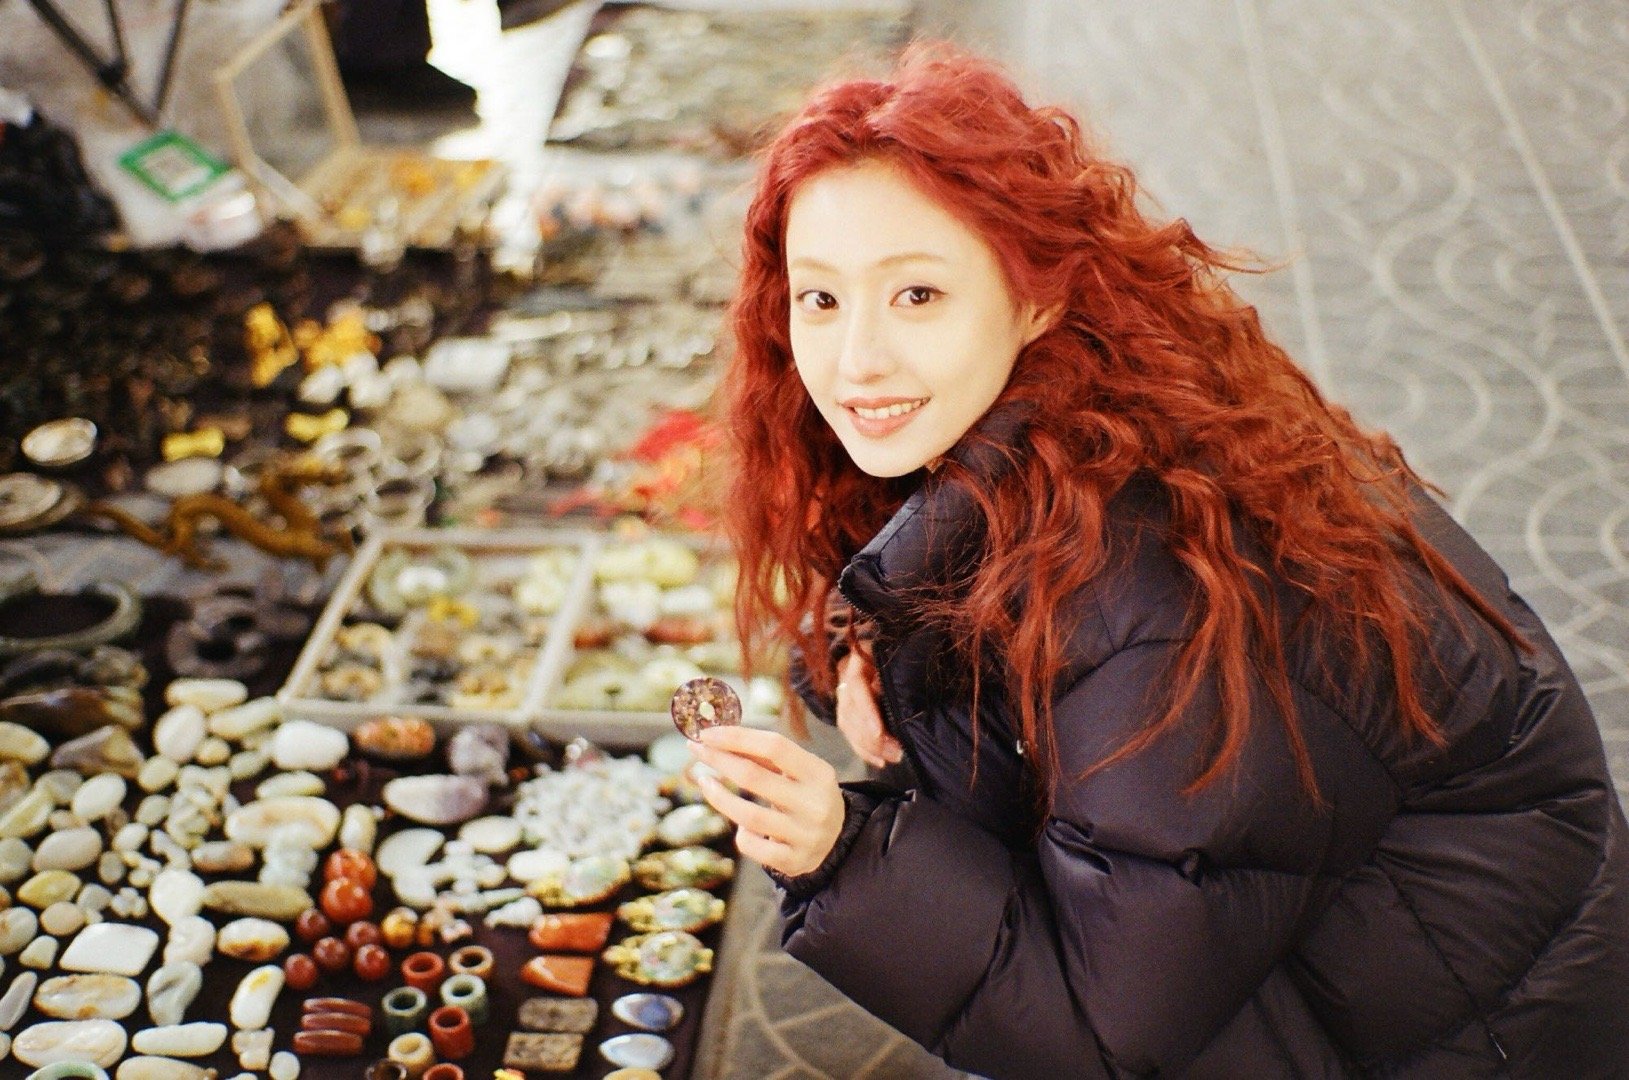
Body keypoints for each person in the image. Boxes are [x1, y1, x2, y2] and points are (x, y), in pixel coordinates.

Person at [686, 43, 1629, 1079]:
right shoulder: (1070, 421)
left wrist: (842, 854)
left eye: (917, 294)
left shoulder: (1161, 589)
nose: (856, 360)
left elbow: (1104, 1031)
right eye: (819, 300)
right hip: (1343, 956)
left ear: (1036, 296)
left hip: (1466, 1034)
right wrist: (862, 640)